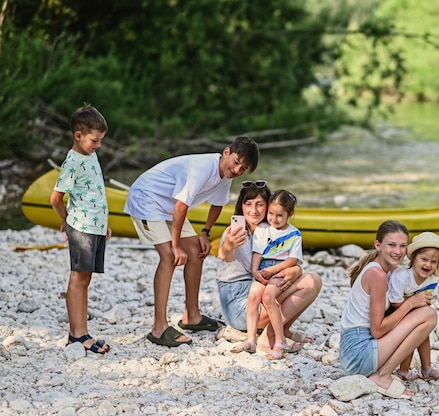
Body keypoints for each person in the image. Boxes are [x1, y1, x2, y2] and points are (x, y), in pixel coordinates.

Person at [124, 136, 260, 347]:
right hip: (147, 198)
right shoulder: (202, 168)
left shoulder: (226, 175)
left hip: (169, 206)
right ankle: (158, 328)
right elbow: (181, 206)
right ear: (226, 152)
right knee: (169, 256)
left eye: (243, 169)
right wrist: (176, 245)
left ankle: (192, 316)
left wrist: (205, 232)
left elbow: (217, 204)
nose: (236, 170)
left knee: (196, 251)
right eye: (235, 162)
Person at [217, 181, 321, 353]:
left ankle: (282, 330)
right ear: (241, 206)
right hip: (237, 301)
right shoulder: (235, 232)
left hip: (259, 284)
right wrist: (228, 246)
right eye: (248, 204)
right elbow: (225, 256)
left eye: (260, 204)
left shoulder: (269, 230)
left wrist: (297, 269)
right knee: (306, 284)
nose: (254, 210)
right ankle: (268, 338)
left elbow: (286, 258)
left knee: (314, 280)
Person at [339, 220, 437, 399]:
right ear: (378, 245)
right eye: (391, 245)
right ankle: (382, 376)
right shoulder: (377, 274)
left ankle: (415, 369)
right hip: (358, 354)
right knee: (428, 315)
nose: (397, 251)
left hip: (358, 352)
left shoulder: (392, 270)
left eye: (402, 246)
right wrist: (411, 303)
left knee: (422, 314)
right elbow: (377, 331)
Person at [50, 104, 111, 354]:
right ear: (78, 135)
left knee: (86, 278)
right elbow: (56, 198)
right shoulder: (73, 161)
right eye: (94, 140)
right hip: (81, 227)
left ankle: (83, 331)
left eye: (100, 140)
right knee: (78, 277)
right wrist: (66, 219)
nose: (98, 145)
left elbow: (94, 192)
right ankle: (75, 335)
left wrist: (103, 223)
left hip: (95, 226)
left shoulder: (90, 155)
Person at [231, 189, 303, 360]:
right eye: (271, 213)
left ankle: (280, 341)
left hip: (280, 269)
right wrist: (255, 271)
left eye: (279, 215)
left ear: (289, 214)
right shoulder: (263, 229)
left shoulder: (294, 234)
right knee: (254, 296)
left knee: (269, 297)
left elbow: (293, 260)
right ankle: (251, 340)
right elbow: (257, 252)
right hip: (263, 267)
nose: (274, 219)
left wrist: (273, 271)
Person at [388, 231, 439, 381]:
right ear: (413, 258)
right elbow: (394, 301)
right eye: (424, 259)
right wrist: (413, 306)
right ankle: (403, 371)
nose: (428, 264)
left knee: (423, 333)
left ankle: (426, 368)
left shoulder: (432, 281)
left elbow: (426, 305)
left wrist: (418, 314)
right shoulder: (402, 277)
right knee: (412, 333)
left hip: (411, 312)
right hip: (392, 313)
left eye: (434, 261)